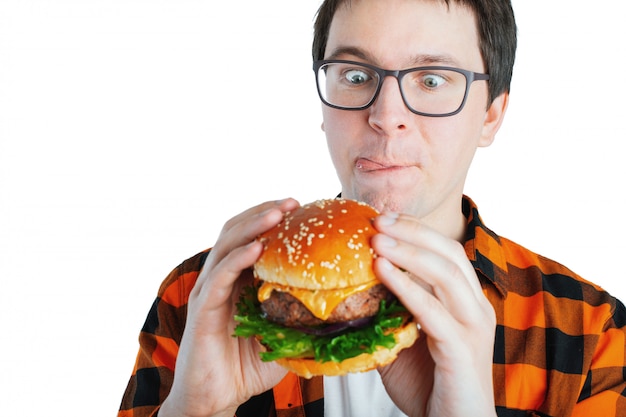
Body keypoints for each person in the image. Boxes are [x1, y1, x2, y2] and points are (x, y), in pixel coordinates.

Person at [118, 0, 626, 416]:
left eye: (431, 80)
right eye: (357, 76)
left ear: (491, 116)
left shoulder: (590, 332)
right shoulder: (201, 297)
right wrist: (195, 411)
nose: (386, 116)